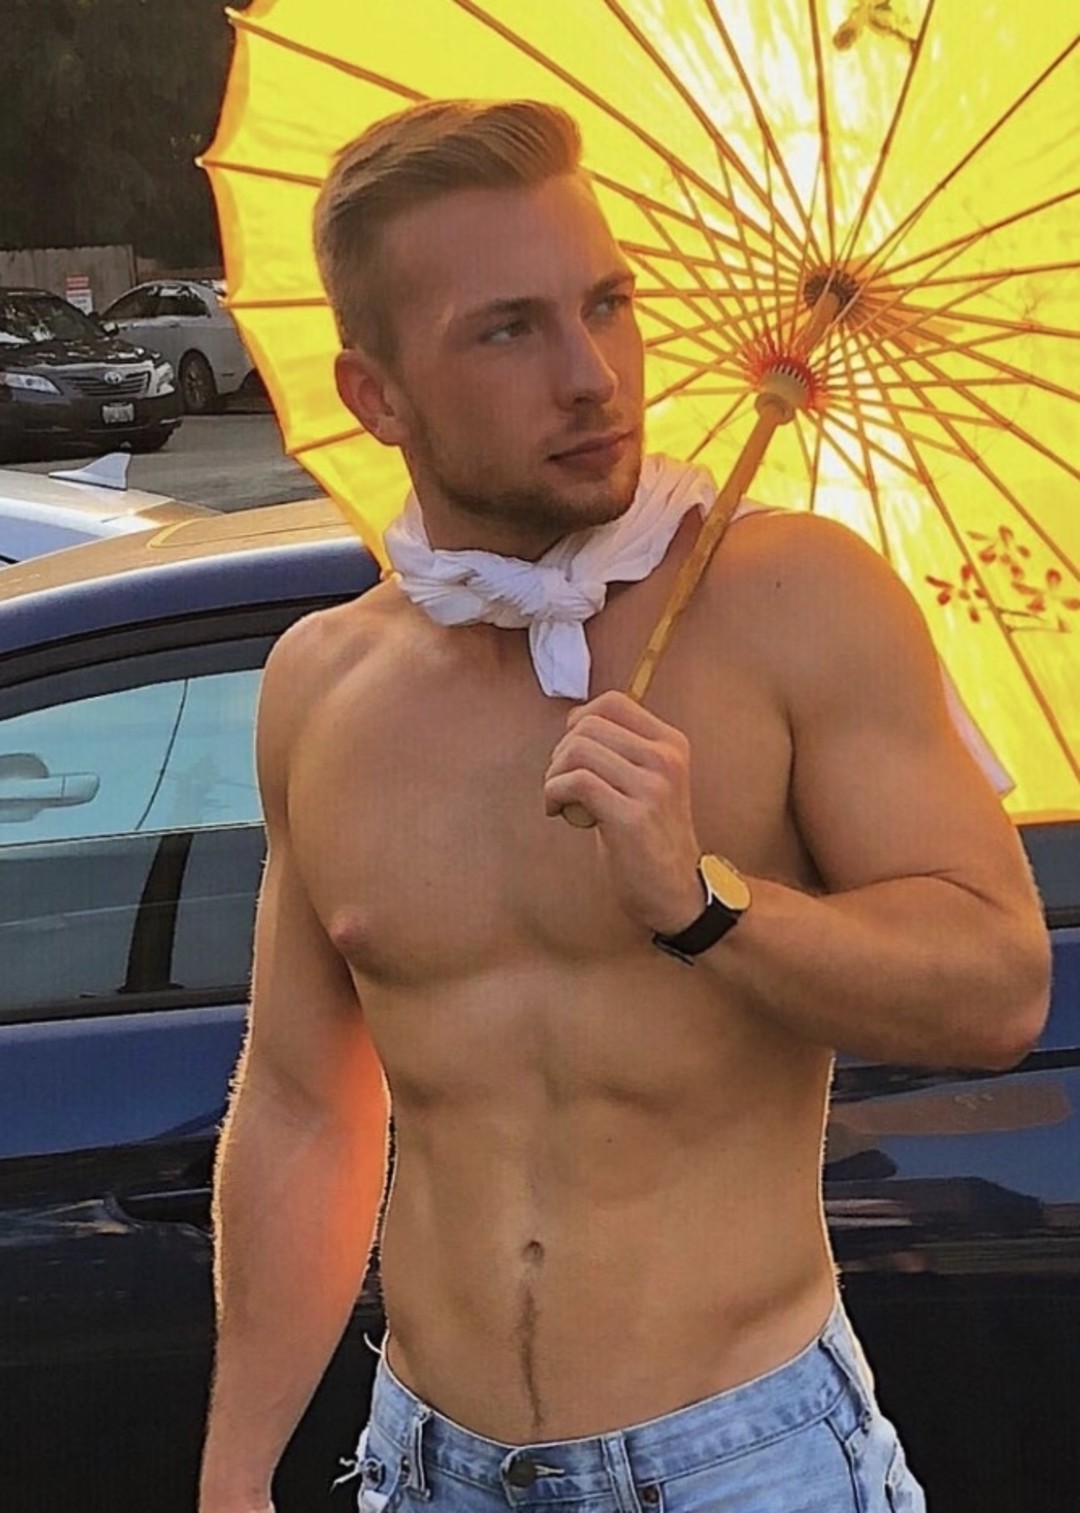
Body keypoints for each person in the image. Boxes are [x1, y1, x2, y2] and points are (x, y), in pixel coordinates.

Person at [198, 99, 1051, 1513]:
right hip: (428, 1466)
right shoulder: (323, 684)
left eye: (607, 303)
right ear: (376, 397)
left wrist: (705, 905)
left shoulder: (794, 599)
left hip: (743, 1463)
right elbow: (304, 1102)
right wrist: (235, 1468)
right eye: (509, 330)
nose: (592, 375)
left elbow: (999, 985)